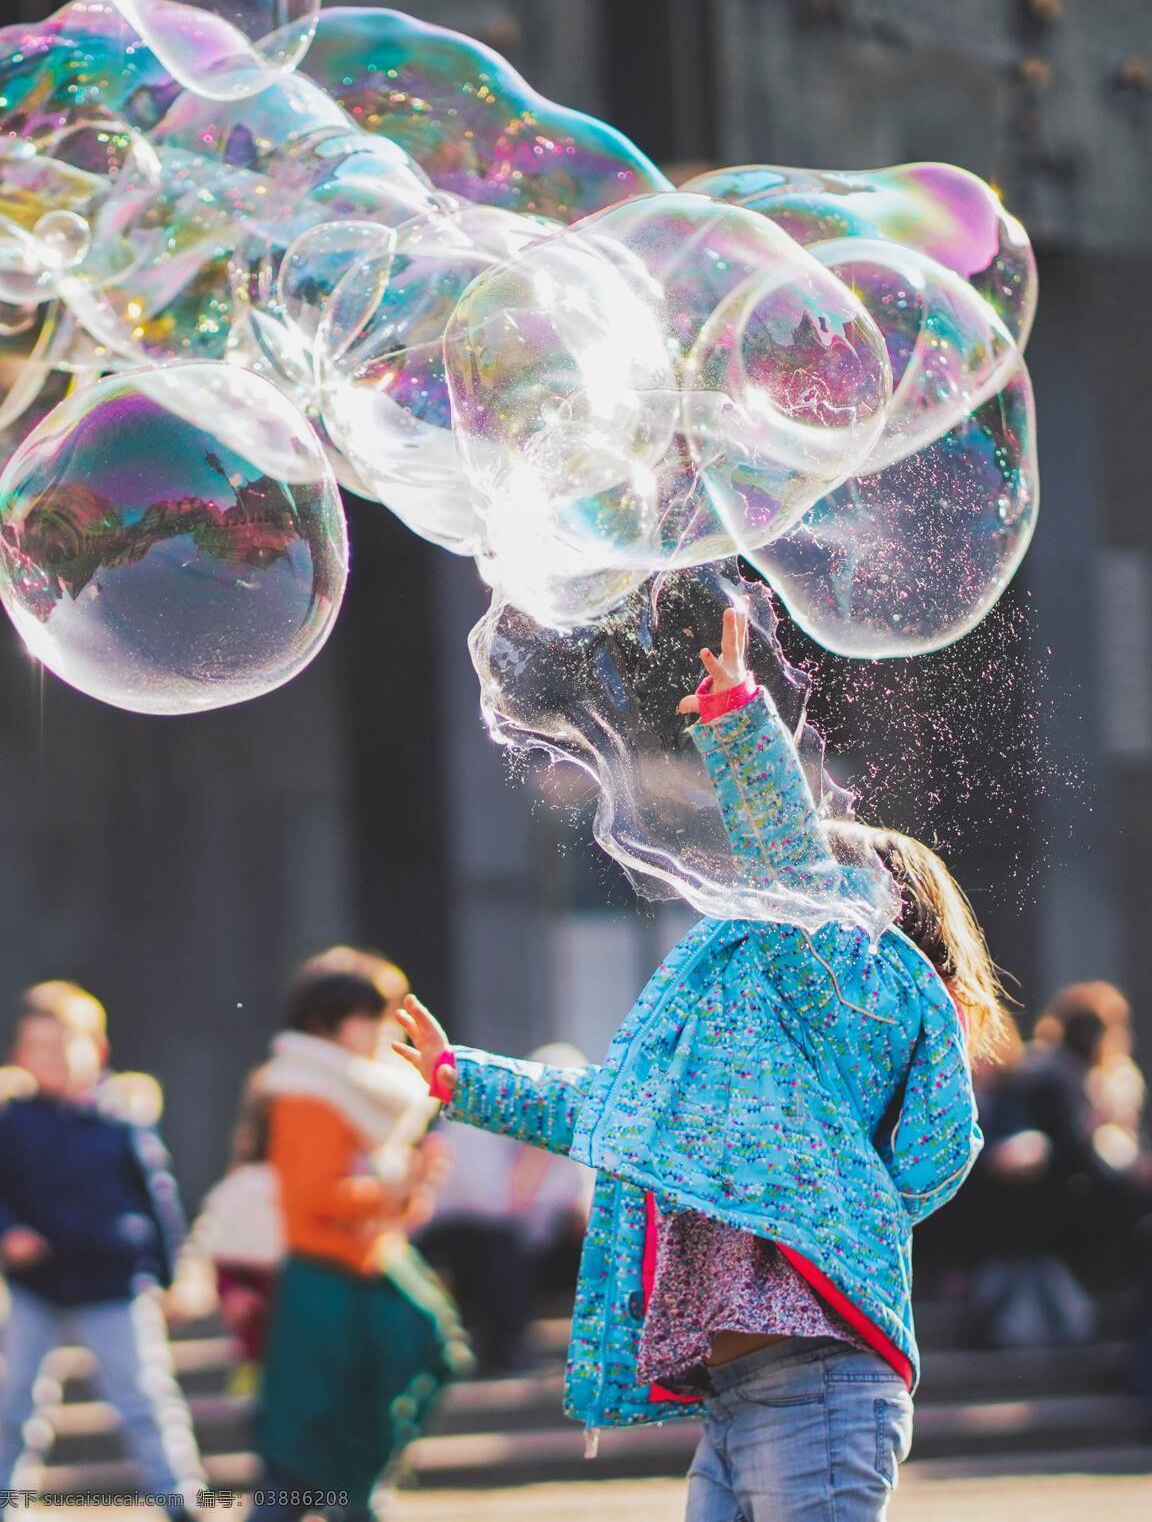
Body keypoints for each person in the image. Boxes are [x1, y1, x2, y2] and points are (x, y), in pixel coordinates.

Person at [395, 606, 1006, 1521]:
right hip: (738, 1393)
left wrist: (739, 721)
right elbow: (607, 1110)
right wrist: (460, 1077)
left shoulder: (846, 987)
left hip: (820, 1385)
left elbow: (793, 870)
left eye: (796, 893)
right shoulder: (749, 1080)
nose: (755, 902)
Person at [0, 984, 205, 1514]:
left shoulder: (122, 1121)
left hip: (114, 1284)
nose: (53, 1058)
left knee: (145, 1397)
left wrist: (171, 1274)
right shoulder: (6, 1123)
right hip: (36, 1287)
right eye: (39, 1047)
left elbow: (159, 1198)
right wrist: (5, 1232)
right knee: (15, 1403)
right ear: (18, 1058)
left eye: (65, 1044)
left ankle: (179, 1495)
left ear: (97, 1049)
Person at [251, 948, 469, 1522]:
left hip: (362, 1266)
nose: (381, 1027)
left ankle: (359, 1493)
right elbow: (314, 1196)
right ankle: (357, 1495)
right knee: (308, 1435)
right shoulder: (308, 1091)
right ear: (328, 1022)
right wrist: (399, 1191)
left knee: (340, 1420)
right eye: (371, 1013)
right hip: (328, 1276)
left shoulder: (356, 1089)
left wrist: (409, 1189)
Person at [420, 1042, 593, 1373]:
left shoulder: (569, 1133)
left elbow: (583, 1208)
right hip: (459, 1237)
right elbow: (497, 1208)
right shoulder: (477, 1119)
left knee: (605, 1246)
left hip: (528, 1241)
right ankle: (504, 1353)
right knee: (498, 1249)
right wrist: (536, 1156)